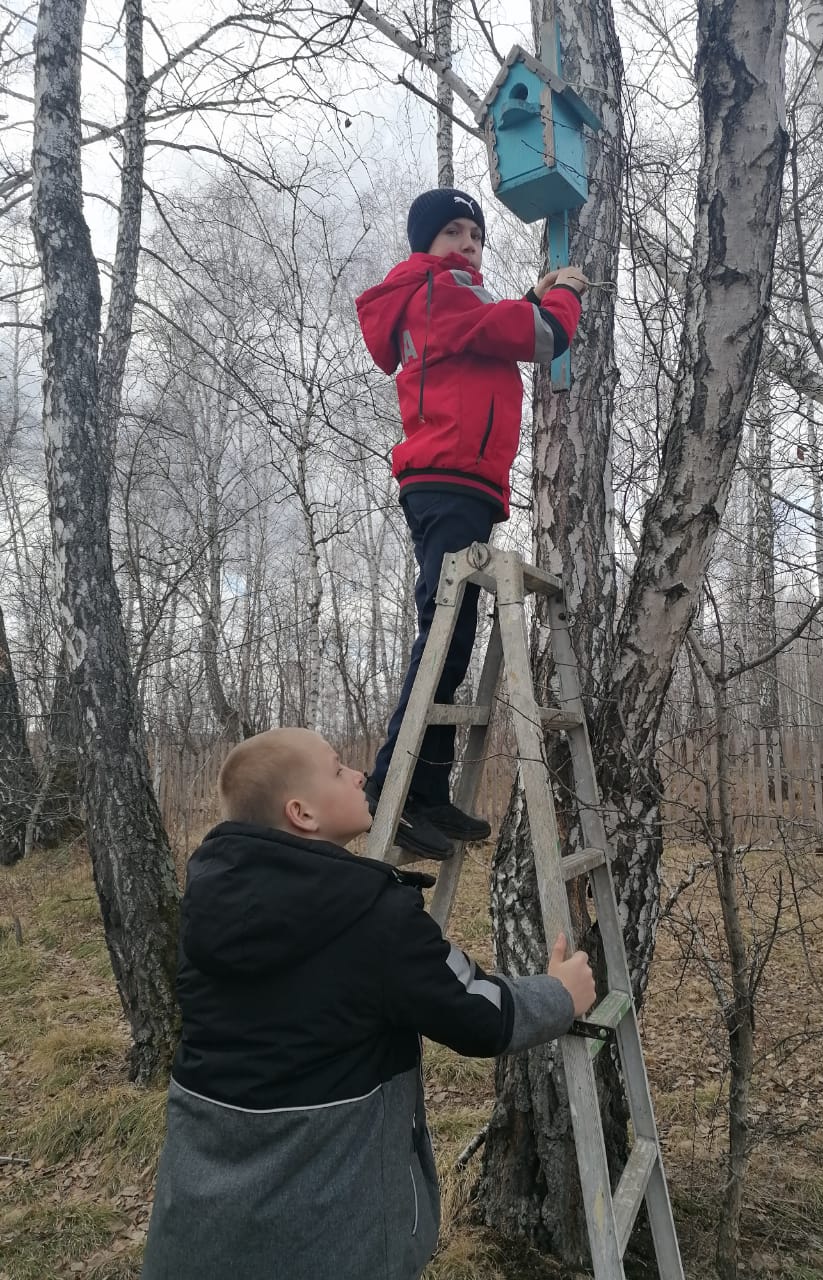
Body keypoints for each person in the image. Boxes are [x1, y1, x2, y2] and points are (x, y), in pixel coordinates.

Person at [140, 727, 595, 1280]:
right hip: (329, 1242)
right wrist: (561, 994)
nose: (359, 774)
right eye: (337, 769)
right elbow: (478, 1014)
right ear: (302, 813)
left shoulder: (208, 903)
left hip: (197, 1235)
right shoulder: (375, 917)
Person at [356, 187, 588, 859]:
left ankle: (424, 793)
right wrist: (563, 292)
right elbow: (543, 335)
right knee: (441, 640)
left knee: (449, 640)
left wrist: (533, 298)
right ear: (424, 245)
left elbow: (503, 322)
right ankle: (391, 794)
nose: (468, 243)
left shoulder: (454, 300)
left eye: (476, 234)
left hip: (463, 484)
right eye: (453, 231)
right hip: (449, 481)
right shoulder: (439, 293)